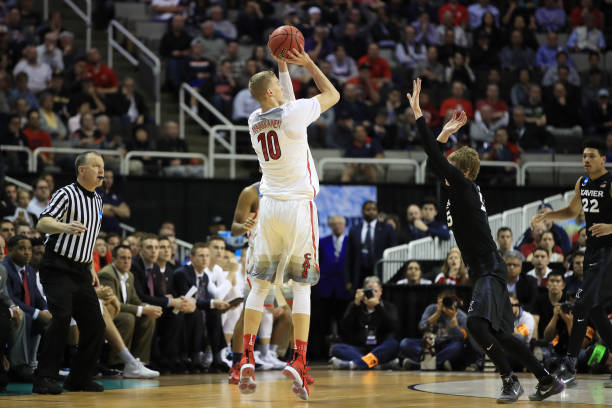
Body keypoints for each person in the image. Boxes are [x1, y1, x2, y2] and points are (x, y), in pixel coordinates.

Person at [407, 78, 563, 402]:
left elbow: (434, 160)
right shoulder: (461, 189)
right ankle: (546, 378)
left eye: (451, 164)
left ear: (461, 169)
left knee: (477, 326)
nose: (445, 167)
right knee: (502, 335)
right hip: (485, 269)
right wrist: (445, 135)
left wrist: (420, 115)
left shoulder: (463, 187)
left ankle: (510, 380)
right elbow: (434, 164)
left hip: (489, 267)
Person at [239, 45, 339, 401]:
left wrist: (281, 64)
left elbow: (287, 102)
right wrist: (308, 62)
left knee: (261, 286)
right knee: (301, 287)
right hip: (297, 207)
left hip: (269, 208)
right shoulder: (294, 113)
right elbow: (332, 94)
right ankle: (298, 359)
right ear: (270, 92)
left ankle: (246, 357)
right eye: (279, 86)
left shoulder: (254, 119)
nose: (285, 88)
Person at [532, 138, 612, 387]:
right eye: (583, 156)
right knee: (596, 312)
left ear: (603, 159)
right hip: (592, 253)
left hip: (609, 254)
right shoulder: (582, 182)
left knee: (582, 303)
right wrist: (549, 216)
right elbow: (571, 211)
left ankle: (569, 363)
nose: (586, 160)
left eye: (591, 156)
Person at [33, 151, 106, 394]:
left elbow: (90, 237)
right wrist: (64, 226)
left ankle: (79, 379)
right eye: (96, 165)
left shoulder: (97, 199)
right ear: (81, 170)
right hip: (57, 266)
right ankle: (44, 378)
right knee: (62, 318)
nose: (101, 170)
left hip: (81, 270)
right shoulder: (66, 193)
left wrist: (90, 265)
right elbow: (42, 223)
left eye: (102, 166)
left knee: (95, 324)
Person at [97, 245, 161, 377]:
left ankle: (140, 362)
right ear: (113, 259)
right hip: (109, 313)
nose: (127, 261)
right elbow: (113, 303)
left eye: (129, 258)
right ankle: (117, 364)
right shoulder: (107, 274)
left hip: (123, 311)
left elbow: (135, 300)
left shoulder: (129, 275)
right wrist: (142, 309)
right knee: (127, 318)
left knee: (148, 317)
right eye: (123, 258)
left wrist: (148, 307)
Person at [330, 276, 399, 370]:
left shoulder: (389, 306)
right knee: (336, 348)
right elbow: (344, 328)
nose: (371, 294)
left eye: (374, 291)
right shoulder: (355, 305)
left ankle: (353, 364)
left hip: (380, 348)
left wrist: (378, 306)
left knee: (393, 344)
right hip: (359, 349)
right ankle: (376, 365)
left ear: (380, 292)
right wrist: (355, 304)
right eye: (368, 291)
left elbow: (393, 326)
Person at [399, 290, 468, 370]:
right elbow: (421, 327)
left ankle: (419, 365)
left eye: (448, 301)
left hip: (446, 346)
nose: (445, 304)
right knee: (405, 343)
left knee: (458, 347)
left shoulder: (461, 316)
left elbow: (462, 338)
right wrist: (437, 314)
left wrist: (454, 325)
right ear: (438, 300)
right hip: (428, 345)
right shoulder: (431, 309)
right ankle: (439, 364)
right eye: (443, 301)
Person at [345, 201, 396, 291]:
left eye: (374, 209)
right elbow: (349, 256)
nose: (371, 212)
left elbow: (393, 252)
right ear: (362, 211)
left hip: (380, 271)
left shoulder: (387, 228)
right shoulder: (354, 229)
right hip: (359, 273)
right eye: (368, 209)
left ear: (377, 211)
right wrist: (348, 280)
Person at [97, 169, 130, 234]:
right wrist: (117, 211)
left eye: (111, 177)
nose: (109, 180)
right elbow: (98, 212)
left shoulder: (116, 195)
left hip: (115, 233)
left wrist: (111, 208)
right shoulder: (95, 193)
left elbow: (126, 213)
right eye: (106, 177)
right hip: (100, 231)